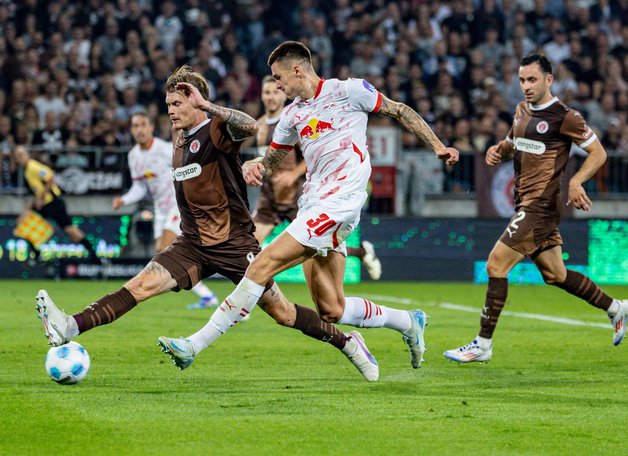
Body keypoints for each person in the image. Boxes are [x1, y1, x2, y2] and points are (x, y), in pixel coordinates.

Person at [35, 65, 379, 382]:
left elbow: (250, 126)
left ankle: (348, 342)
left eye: (177, 103)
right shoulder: (178, 134)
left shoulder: (216, 129)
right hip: (192, 244)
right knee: (140, 286)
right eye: (168, 103)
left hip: (234, 244)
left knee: (284, 313)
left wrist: (209, 106)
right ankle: (70, 325)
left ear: (196, 101)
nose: (170, 110)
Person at [160, 41, 460, 371]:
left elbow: (399, 110)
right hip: (313, 205)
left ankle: (194, 344)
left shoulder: (350, 91)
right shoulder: (292, 114)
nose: (276, 85)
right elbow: (276, 155)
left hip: (339, 204)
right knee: (331, 309)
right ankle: (407, 321)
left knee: (260, 266)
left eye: (278, 78)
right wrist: (258, 163)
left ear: (298, 70)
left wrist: (438, 146)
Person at [443, 54, 628, 364]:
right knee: (555, 274)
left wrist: (577, 181)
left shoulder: (565, 117)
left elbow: (598, 153)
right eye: (521, 80)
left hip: (541, 207)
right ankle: (615, 308)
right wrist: (497, 150)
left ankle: (482, 344)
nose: (526, 86)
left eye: (532, 80)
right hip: (526, 204)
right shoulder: (520, 111)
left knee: (495, 265)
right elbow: (512, 142)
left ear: (548, 80)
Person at [247, 75, 383, 280]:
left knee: (321, 246)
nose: (271, 97)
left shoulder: (294, 120)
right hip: (270, 197)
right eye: (267, 92)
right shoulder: (260, 126)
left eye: (275, 92)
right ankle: (252, 296)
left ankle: (362, 253)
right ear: (261, 96)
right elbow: (265, 159)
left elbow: (311, 155)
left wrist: (293, 174)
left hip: (296, 196)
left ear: (283, 94)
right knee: (249, 246)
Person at [112, 112, 220, 310]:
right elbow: (140, 187)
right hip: (160, 210)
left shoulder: (163, 149)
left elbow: (187, 167)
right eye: (135, 126)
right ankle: (206, 295)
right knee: (163, 253)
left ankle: (207, 291)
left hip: (177, 204)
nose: (139, 130)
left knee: (164, 250)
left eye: (142, 125)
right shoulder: (133, 156)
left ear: (151, 127)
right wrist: (124, 199)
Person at [13, 145, 106, 266]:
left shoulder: (33, 166)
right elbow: (39, 191)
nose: (19, 159)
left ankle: (96, 258)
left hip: (53, 203)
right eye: (16, 157)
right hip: (45, 205)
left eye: (21, 155)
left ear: (27, 155)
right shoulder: (26, 171)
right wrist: (32, 204)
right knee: (23, 223)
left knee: (71, 232)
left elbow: (50, 178)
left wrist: (40, 198)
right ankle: (37, 255)